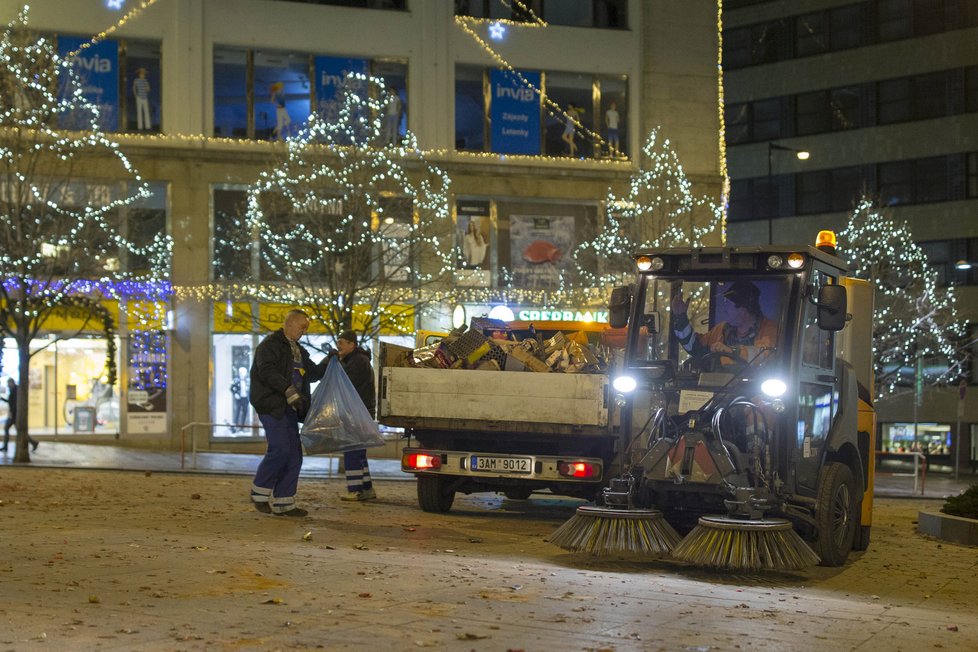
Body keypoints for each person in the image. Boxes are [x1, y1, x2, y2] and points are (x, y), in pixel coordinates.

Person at [248, 310, 328, 516]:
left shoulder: (297, 350)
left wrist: (330, 361)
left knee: (294, 454)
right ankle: (259, 493)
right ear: (290, 323)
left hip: (290, 408)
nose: (304, 332)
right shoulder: (270, 346)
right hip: (273, 406)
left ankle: (285, 503)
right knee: (281, 448)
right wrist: (288, 390)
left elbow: (312, 374)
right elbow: (266, 372)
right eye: (302, 327)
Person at [671, 280, 778, 366]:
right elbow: (695, 348)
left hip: (753, 391)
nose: (724, 309)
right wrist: (681, 317)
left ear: (744, 307)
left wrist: (731, 351)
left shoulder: (769, 329)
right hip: (721, 390)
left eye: (728, 303)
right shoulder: (722, 329)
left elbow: (764, 354)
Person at [335, 330, 378, 502]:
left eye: (342, 342)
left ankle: (354, 490)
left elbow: (346, 385)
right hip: (361, 412)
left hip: (356, 413)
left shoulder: (356, 362)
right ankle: (367, 489)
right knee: (359, 452)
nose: (339, 345)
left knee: (352, 450)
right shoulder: (360, 360)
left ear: (352, 345)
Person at [1, 378, 38, 452]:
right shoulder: (13, 390)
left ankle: (33, 442)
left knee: (16, 430)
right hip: (13, 414)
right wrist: (3, 399)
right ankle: (33, 442)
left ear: (11, 383)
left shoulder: (16, 390)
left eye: (8, 383)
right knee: (14, 430)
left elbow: (15, 403)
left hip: (15, 415)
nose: (8, 385)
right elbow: (11, 402)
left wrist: (12, 413)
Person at [230, 367, 250, 433]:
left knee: (245, 412)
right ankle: (235, 427)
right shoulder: (236, 380)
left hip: (245, 399)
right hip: (239, 399)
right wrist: (235, 394)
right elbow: (231, 388)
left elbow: (250, 389)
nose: (242, 374)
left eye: (243, 372)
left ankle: (242, 428)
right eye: (241, 372)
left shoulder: (248, 380)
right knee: (237, 412)